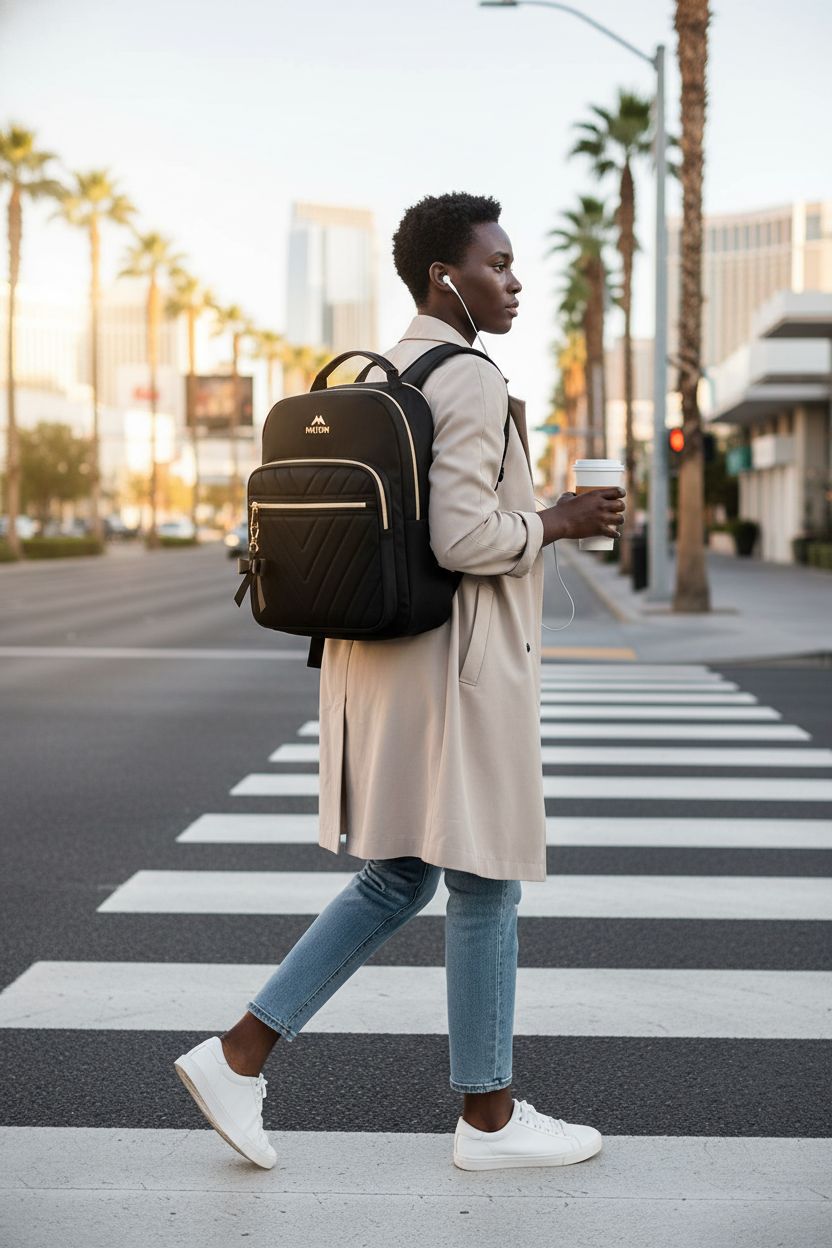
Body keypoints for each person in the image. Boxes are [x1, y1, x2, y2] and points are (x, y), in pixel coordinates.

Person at [174, 192, 626, 1172]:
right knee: (484, 877)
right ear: (443, 276)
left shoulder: (389, 370)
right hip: (453, 673)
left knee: (408, 872)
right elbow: (465, 537)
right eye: (497, 264)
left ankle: (240, 1056)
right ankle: (489, 1123)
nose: (513, 282)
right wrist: (557, 518)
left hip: (382, 662)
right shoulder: (462, 375)